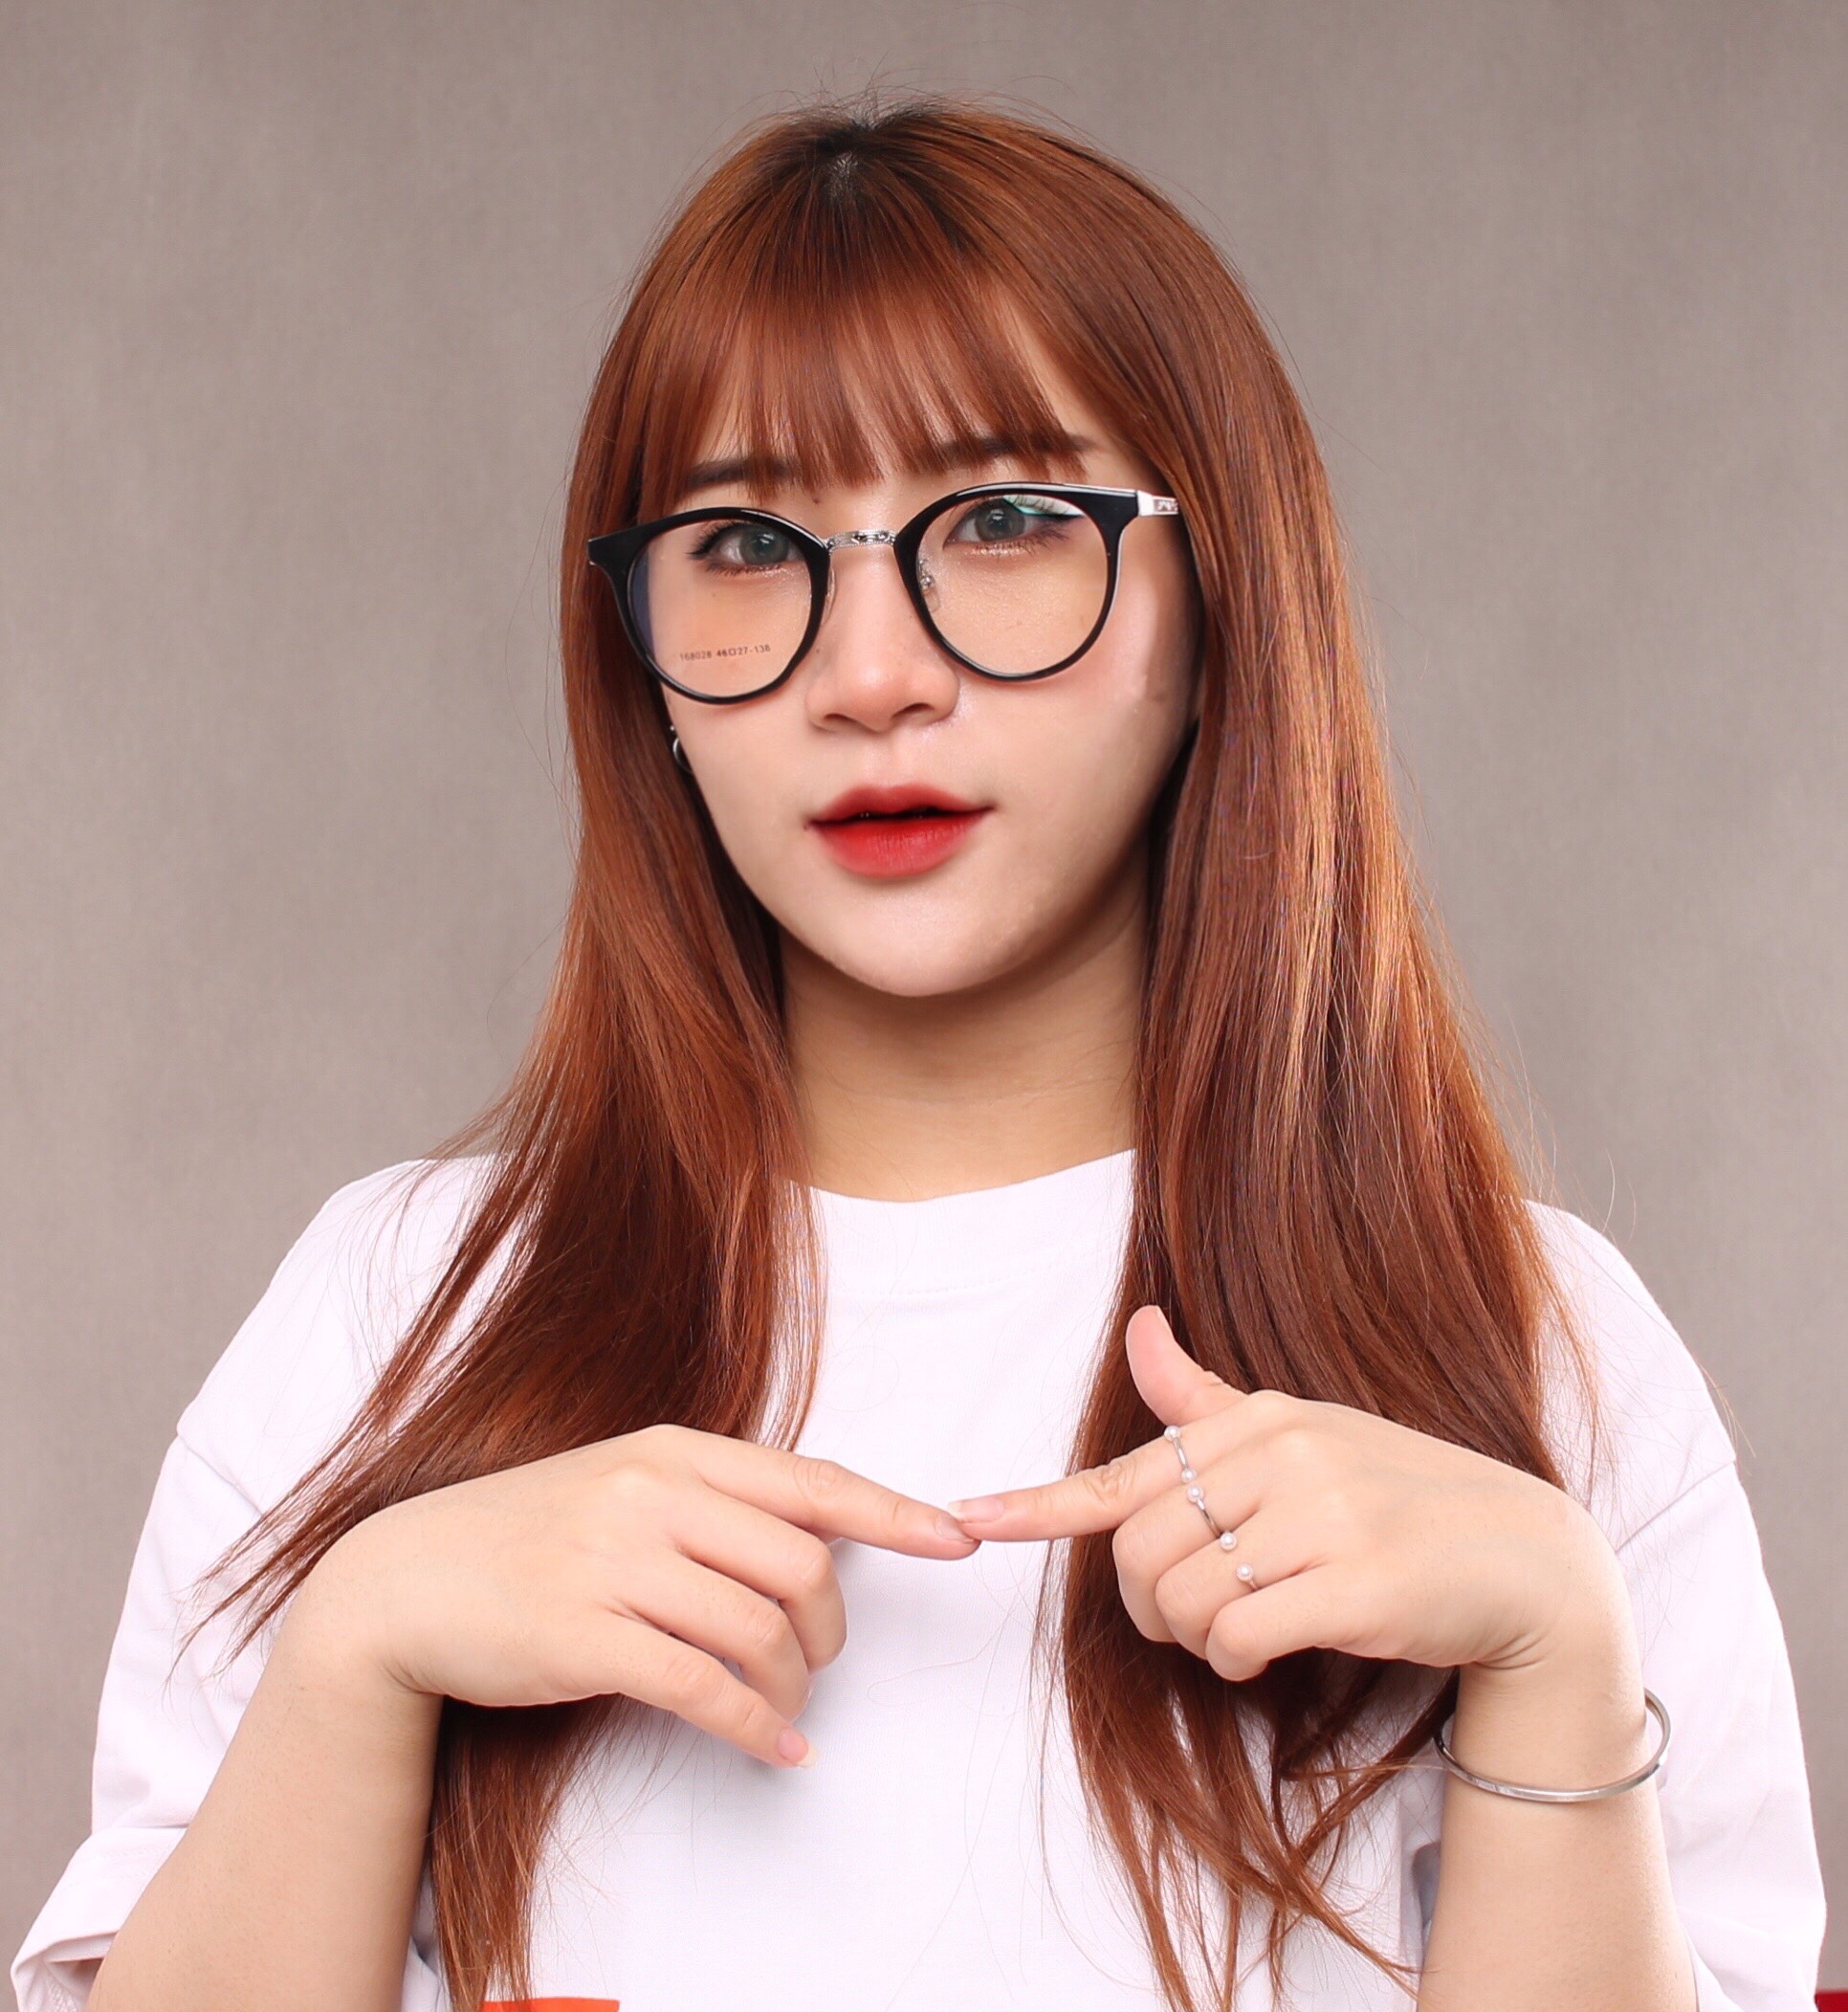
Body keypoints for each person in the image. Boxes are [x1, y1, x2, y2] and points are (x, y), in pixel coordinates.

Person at [11, 88, 1825, 2012]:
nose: (870, 673)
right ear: (641, 663)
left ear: (1224, 597)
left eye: (1010, 520)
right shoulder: (394, 1316)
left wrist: (1552, 1653)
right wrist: (355, 1653)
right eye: (742, 541)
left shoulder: (1537, 1343)